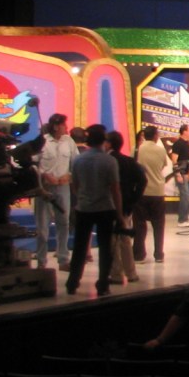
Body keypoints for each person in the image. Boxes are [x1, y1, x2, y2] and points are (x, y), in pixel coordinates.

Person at [66, 124, 123, 296]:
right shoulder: (109, 161)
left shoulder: (78, 160)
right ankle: (103, 283)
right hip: (105, 208)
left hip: (83, 208)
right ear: (103, 141)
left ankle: (72, 282)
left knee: (80, 246)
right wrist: (119, 214)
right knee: (106, 248)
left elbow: (75, 186)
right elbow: (115, 190)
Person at [34, 112, 77, 272]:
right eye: (64, 125)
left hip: (63, 187)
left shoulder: (69, 141)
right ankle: (41, 261)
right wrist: (44, 174)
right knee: (42, 227)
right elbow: (33, 165)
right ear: (56, 126)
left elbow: (75, 163)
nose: (66, 128)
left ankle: (63, 259)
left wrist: (69, 175)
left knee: (64, 223)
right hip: (45, 188)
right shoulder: (42, 142)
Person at [105, 131, 146, 286]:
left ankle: (116, 274)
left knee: (112, 241)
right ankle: (131, 273)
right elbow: (142, 180)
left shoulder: (107, 161)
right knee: (125, 240)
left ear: (108, 144)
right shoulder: (128, 161)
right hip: (127, 205)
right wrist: (134, 199)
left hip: (109, 205)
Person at [133, 126, 168, 264]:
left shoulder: (137, 149)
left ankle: (139, 254)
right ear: (155, 136)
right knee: (159, 225)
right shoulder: (161, 150)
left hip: (141, 192)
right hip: (158, 191)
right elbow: (163, 165)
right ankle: (158, 254)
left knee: (139, 224)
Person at [170, 124, 189, 227]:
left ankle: (186, 217)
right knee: (185, 195)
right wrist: (177, 173)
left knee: (188, 195)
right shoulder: (178, 144)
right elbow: (174, 159)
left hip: (187, 173)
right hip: (182, 172)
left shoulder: (187, 144)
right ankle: (182, 219)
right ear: (184, 132)